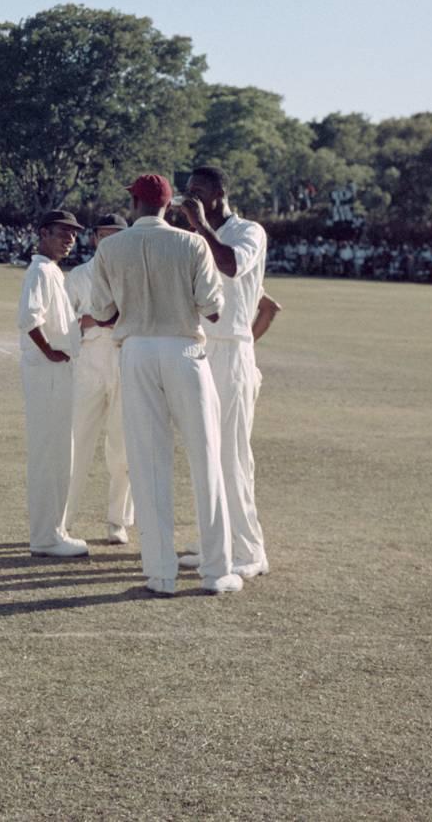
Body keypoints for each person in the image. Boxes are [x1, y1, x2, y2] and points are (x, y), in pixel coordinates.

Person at [90, 174, 241, 596]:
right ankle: (216, 571)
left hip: (136, 350)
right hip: (183, 350)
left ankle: (160, 573)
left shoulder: (111, 247)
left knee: (148, 462)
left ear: (136, 204)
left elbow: (102, 313)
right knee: (205, 457)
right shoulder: (191, 243)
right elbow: (213, 309)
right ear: (169, 205)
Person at [172, 168, 273, 580]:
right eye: (187, 192)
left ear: (219, 193)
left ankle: (250, 550)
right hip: (200, 346)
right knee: (203, 450)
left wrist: (198, 226)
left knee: (232, 454)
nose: (191, 197)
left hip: (233, 351)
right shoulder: (197, 238)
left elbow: (230, 265)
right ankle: (214, 539)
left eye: (198, 191)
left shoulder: (249, 231)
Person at [17, 211, 89, 559]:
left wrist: (82, 324)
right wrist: (50, 352)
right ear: (43, 233)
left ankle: (53, 531)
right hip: (47, 374)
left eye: (73, 235)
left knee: (61, 453)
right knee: (51, 454)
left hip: (57, 372)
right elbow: (29, 320)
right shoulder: (40, 270)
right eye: (63, 233)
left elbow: (56, 322)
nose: (69, 240)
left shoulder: (52, 272)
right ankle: (46, 536)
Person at [64, 212, 133, 546]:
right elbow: (60, 327)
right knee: (76, 443)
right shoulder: (78, 276)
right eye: (104, 236)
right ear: (94, 239)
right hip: (88, 364)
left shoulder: (136, 273)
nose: (109, 242)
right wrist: (88, 319)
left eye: (116, 236)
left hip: (125, 362)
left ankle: (117, 521)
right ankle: (62, 520)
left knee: (122, 448)